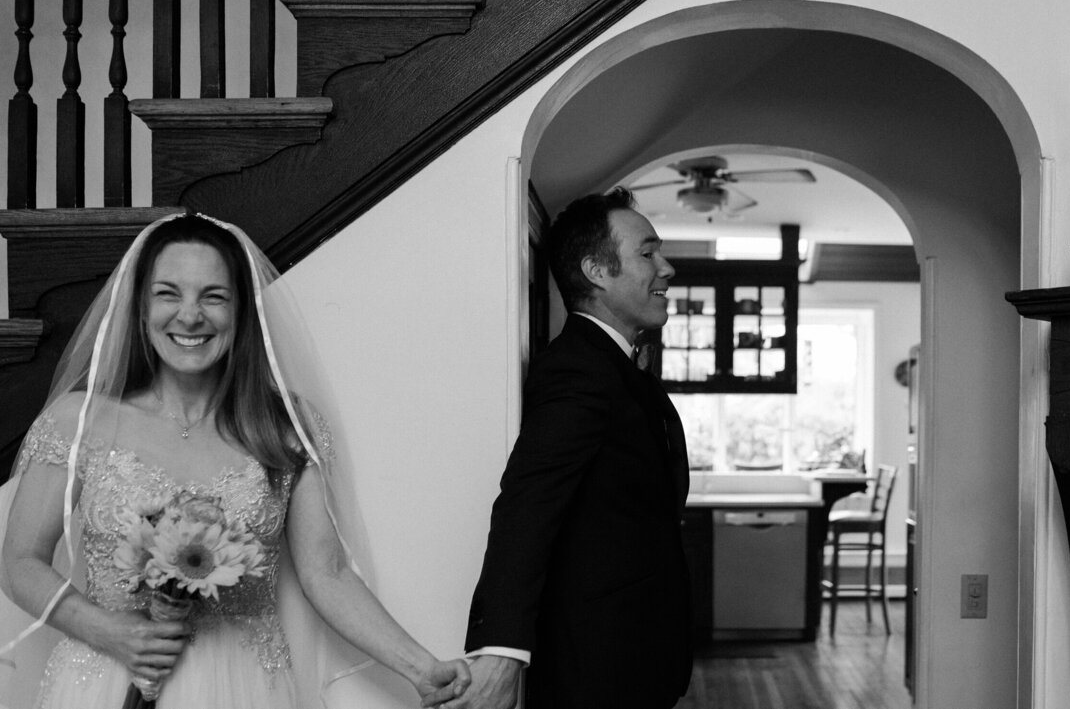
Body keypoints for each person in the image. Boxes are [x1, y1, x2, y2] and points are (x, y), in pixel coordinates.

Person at [0, 213, 470, 709]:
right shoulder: (79, 421)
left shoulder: (286, 426)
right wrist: (107, 630)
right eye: (168, 293)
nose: (190, 315)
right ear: (140, 309)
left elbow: (326, 573)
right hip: (100, 679)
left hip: (243, 688)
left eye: (214, 296)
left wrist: (422, 669)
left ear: (242, 313)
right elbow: (19, 561)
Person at [451, 188, 692, 709]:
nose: (666, 268)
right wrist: (502, 649)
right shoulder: (578, 369)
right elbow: (527, 505)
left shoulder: (616, 363)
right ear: (597, 272)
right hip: (598, 668)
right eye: (647, 253)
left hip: (634, 653)